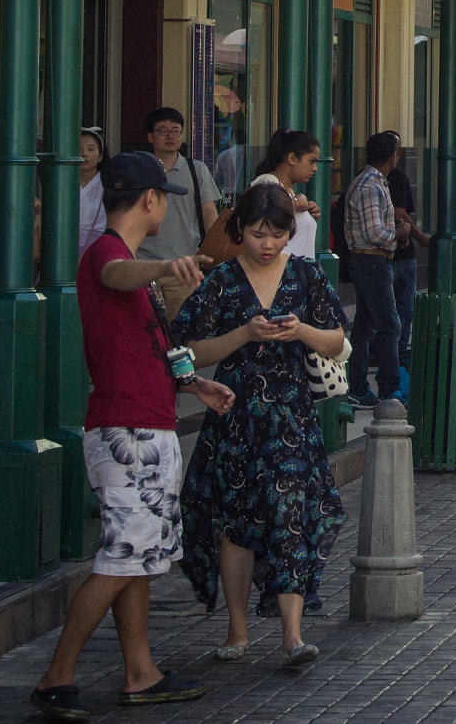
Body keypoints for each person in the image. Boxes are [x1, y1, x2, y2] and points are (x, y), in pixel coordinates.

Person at [30, 153, 234, 722]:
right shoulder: (111, 256)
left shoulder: (130, 262)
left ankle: (140, 673)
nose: (165, 204)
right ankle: (56, 676)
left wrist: (193, 386)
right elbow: (112, 276)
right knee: (122, 558)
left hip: (145, 421)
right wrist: (167, 267)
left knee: (136, 557)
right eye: (164, 196)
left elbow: (151, 347)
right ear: (150, 199)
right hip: (128, 429)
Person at [170, 182, 347, 668]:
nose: (267, 244)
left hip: (291, 415)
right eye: (256, 233)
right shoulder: (223, 280)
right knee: (236, 523)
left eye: (276, 234)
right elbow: (184, 351)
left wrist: (301, 331)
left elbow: (335, 341)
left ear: (291, 232)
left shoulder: (307, 275)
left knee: (290, 514)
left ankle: (293, 635)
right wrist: (242, 335)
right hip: (235, 413)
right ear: (239, 231)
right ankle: (237, 630)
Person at [343, 132, 405, 408]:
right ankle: (389, 389)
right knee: (390, 324)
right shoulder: (370, 185)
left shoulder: (375, 182)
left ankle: (357, 385)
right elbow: (373, 232)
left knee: (365, 325)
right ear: (393, 156)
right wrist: (399, 231)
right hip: (371, 260)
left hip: (371, 260)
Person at [137, 107, 222, 261]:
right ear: (150, 137)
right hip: (142, 261)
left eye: (176, 131)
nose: (170, 136)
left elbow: (209, 212)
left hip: (185, 263)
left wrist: (214, 251)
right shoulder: (138, 169)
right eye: (162, 131)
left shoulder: (197, 170)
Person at [383, 136, 429, 372]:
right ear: (396, 154)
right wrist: (420, 238)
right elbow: (399, 212)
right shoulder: (396, 179)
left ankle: (387, 351)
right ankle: (397, 351)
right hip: (398, 253)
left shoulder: (366, 179)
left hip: (383, 255)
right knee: (401, 306)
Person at [249, 128, 321, 260]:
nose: (315, 168)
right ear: (292, 158)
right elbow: (259, 217)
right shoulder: (266, 183)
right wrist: (295, 203)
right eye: (311, 161)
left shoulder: (287, 189)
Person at [77, 127, 107, 255]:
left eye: (90, 149)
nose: (84, 154)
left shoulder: (107, 184)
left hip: (97, 248)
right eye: (79, 149)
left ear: (100, 156)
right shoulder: (62, 184)